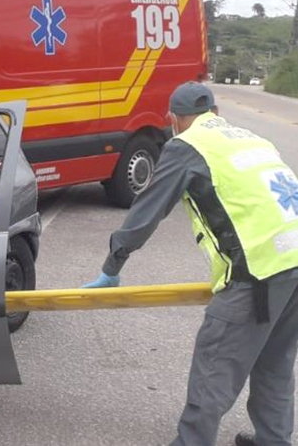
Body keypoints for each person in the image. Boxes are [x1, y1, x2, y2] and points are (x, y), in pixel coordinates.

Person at [82, 82, 298, 446]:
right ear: (215, 112)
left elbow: (146, 212)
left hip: (257, 274)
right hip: (293, 262)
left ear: (174, 119)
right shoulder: (251, 139)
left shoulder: (186, 146)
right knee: (275, 362)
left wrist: (111, 267)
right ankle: (274, 440)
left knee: (213, 368)